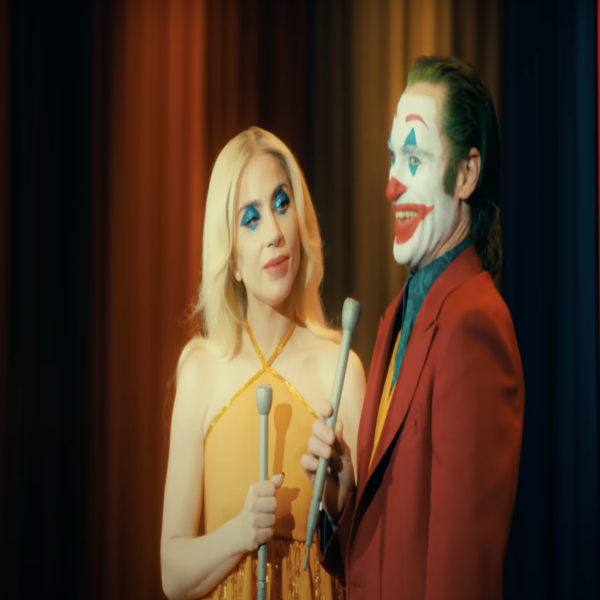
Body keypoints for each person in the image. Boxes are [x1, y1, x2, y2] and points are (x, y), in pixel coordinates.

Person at [302, 56, 525, 599]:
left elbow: (461, 575)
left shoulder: (473, 325)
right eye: (392, 158)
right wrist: (342, 503)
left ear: (466, 175)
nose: (391, 185)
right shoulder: (398, 317)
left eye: (415, 157)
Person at [160, 126, 366, 600]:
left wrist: (341, 506)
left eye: (281, 204)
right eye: (251, 218)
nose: (274, 233)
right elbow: (172, 573)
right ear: (231, 258)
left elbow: (376, 564)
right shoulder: (200, 373)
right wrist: (238, 533)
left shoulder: (342, 371)